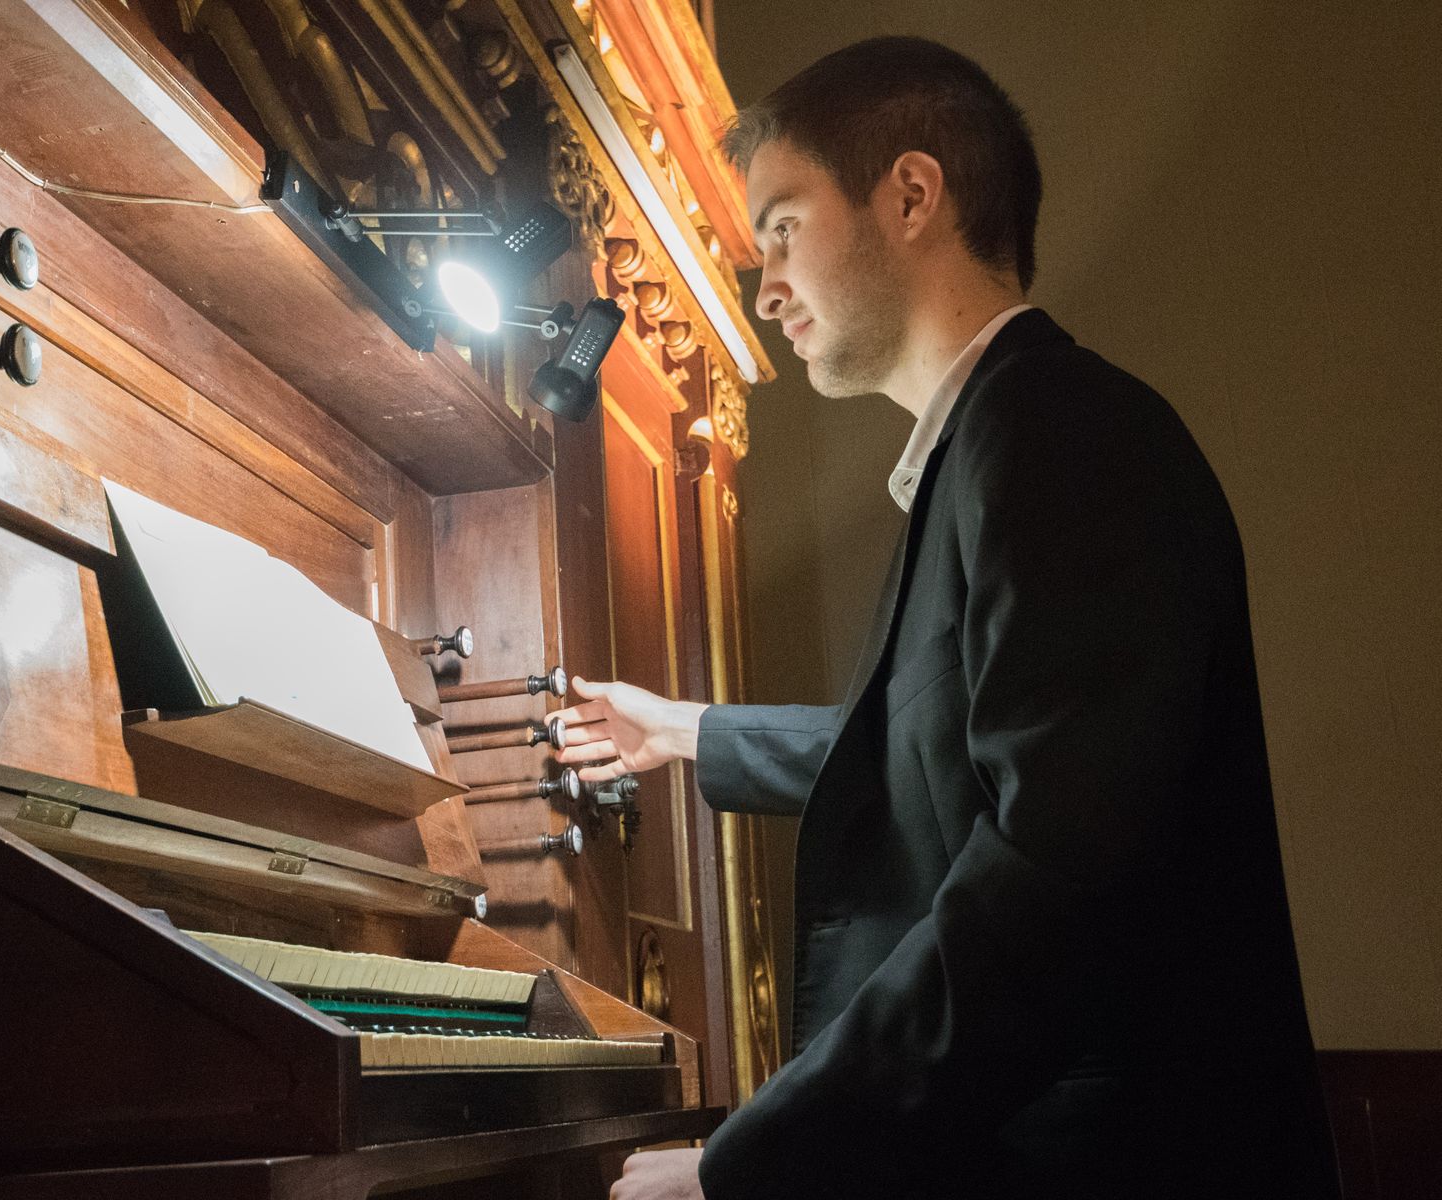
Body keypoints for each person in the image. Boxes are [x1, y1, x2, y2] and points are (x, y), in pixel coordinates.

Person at [558, 36, 1339, 1200]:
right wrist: (681, 732)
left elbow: (1057, 869)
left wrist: (750, 1163)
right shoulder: (999, 443)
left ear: (912, 195)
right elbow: (937, 750)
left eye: (779, 227)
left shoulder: (1058, 429)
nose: (764, 287)